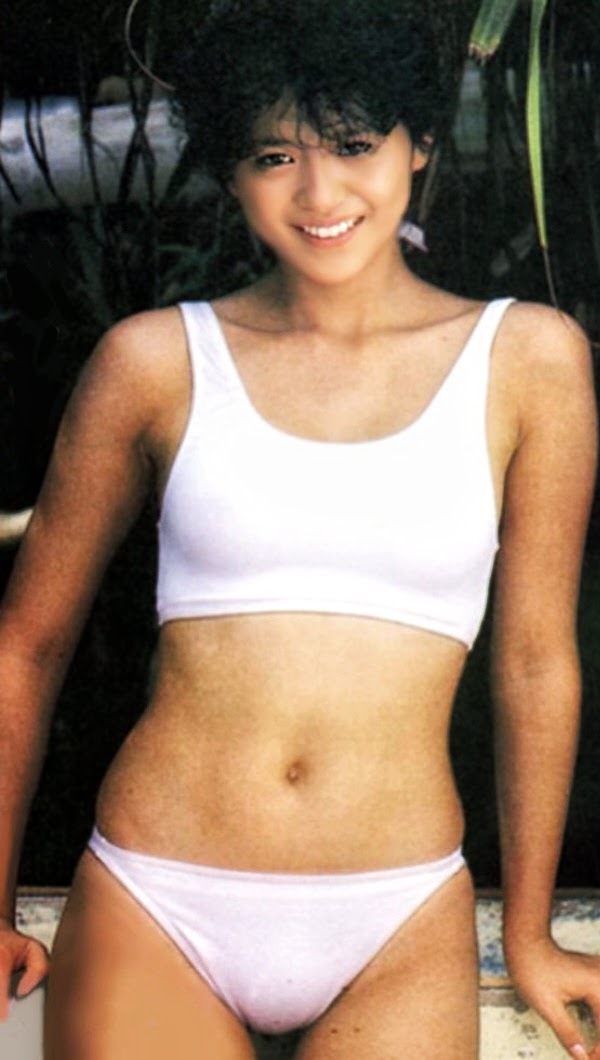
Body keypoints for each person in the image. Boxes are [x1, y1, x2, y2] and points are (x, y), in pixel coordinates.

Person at [1, 1, 599, 1056]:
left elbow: (537, 662)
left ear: (419, 146)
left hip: (398, 914)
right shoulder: (153, 361)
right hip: (156, 896)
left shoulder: (529, 360)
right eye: (276, 156)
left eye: (355, 146)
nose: (320, 195)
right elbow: (25, 645)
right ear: (232, 173)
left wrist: (531, 930)